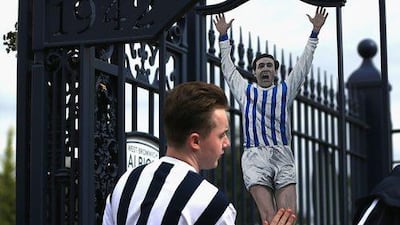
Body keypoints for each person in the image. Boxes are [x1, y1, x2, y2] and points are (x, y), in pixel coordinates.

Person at [101, 81, 297, 225]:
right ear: (195, 141)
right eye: (221, 135)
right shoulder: (213, 205)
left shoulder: (125, 184)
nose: (227, 143)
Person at [214, 7, 328, 223]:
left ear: (275, 71)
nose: (265, 69)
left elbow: (303, 66)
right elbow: (228, 69)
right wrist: (223, 37)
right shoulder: (245, 91)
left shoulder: (285, 90)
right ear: (254, 71)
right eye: (260, 66)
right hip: (255, 156)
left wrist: (315, 32)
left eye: (268, 65)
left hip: (282, 153)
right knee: (268, 217)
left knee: (288, 216)